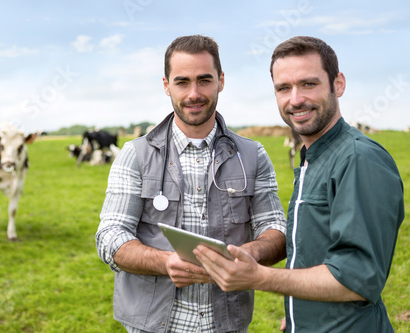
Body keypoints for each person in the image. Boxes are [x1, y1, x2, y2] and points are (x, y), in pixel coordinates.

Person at [194, 36, 405, 332]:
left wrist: (259, 277)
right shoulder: (313, 157)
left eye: (309, 84)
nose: (295, 99)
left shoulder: (359, 159)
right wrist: (298, 313)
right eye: (284, 88)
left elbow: (357, 278)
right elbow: (318, 256)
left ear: (338, 84)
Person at [95, 34, 287, 333]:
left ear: (221, 81)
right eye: (182, 82)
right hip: (152, 326)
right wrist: (165, 262)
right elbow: (109, 237)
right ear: (166, 85)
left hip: (227, 324)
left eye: (205, 80)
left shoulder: (252, 155)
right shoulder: (134, 155)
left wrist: (248, 255)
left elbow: (276, 229)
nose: (194, 93)